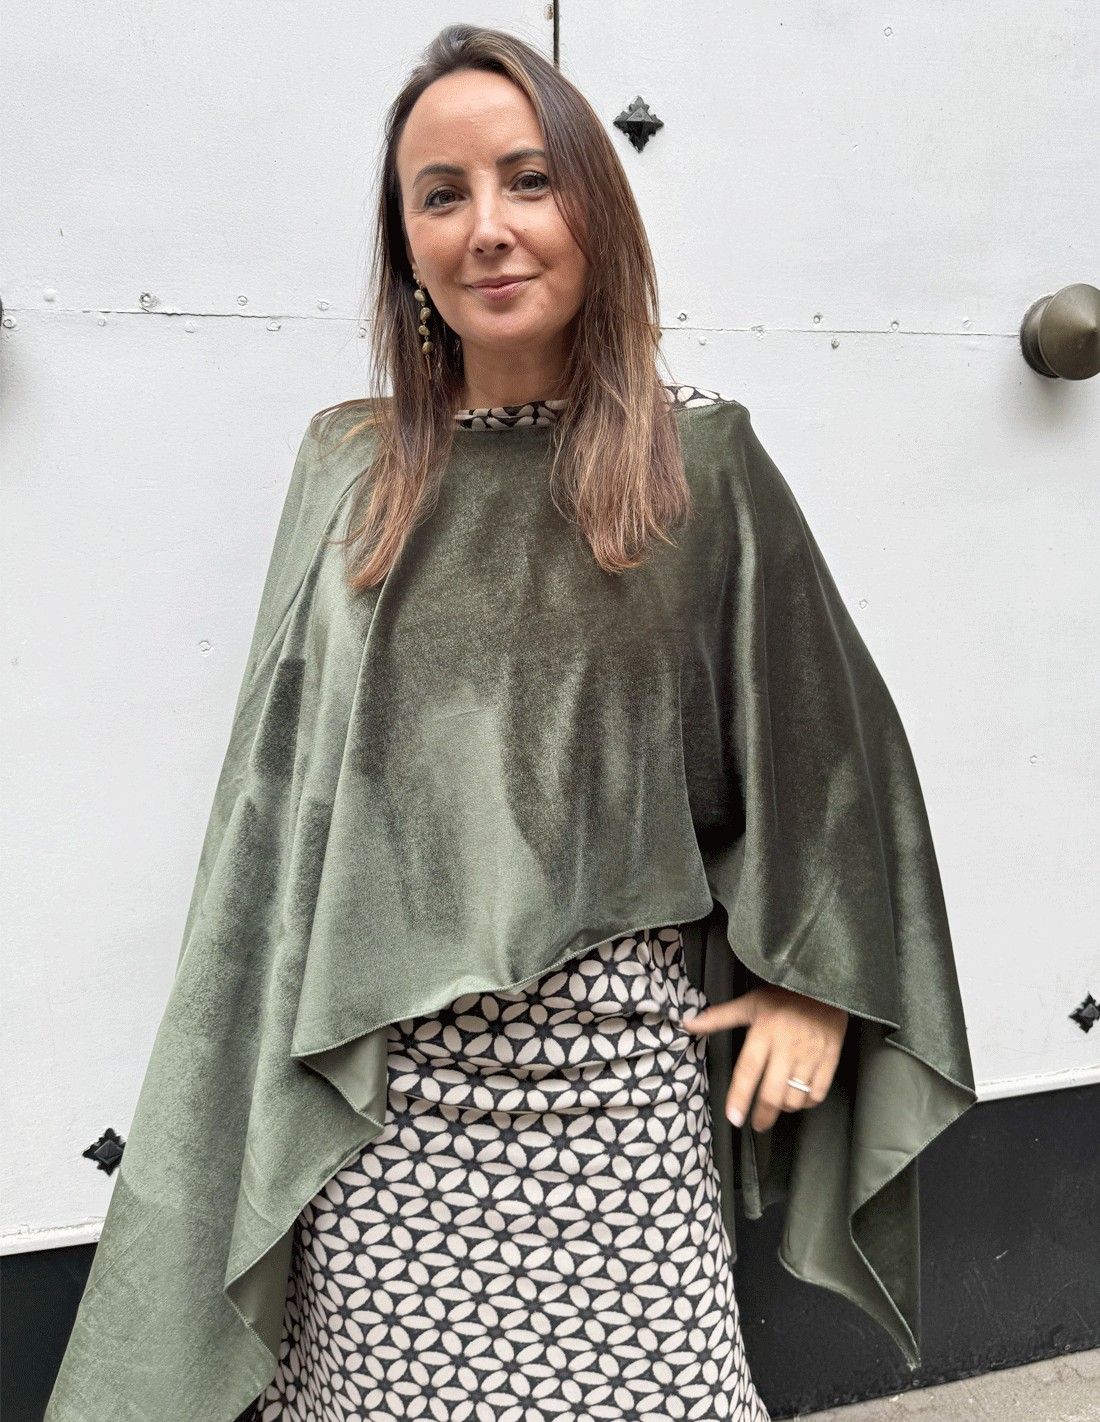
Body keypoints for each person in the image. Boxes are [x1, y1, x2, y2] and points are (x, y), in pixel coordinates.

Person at [45, 23, 977, 1422]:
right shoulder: (350, 469)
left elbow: (828, 752)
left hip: (617, 1096)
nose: (487, 225)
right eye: (442, 194)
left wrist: (811, 981)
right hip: (375, 1104)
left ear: (594, 203)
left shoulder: (698, 464)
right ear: (406, 246)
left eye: (529, 179)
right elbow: (274, 812)